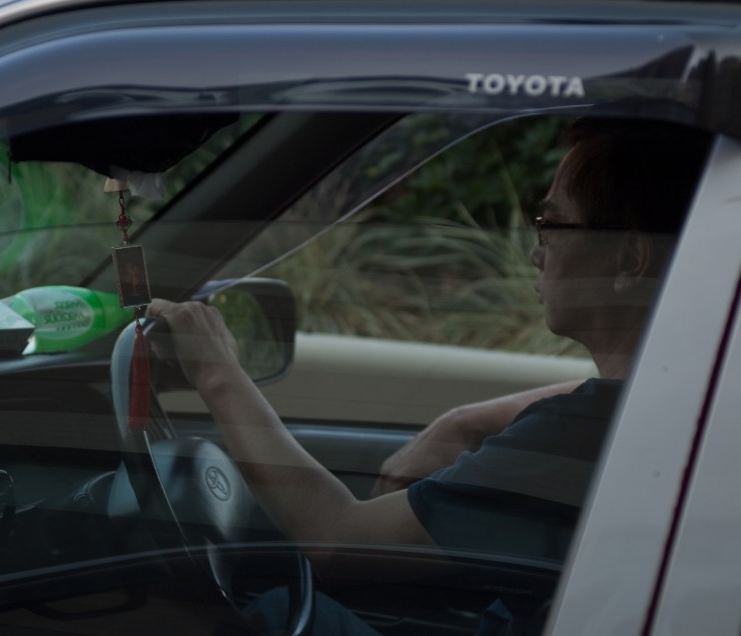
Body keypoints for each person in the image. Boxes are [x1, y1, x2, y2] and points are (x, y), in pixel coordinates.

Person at [147, 117, 712, 634]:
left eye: (551, 225)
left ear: (629, 260)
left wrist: (218, 374)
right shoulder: (675, 407)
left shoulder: (577, 434)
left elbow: (337, 539)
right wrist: (467, 420)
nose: (536, 254)